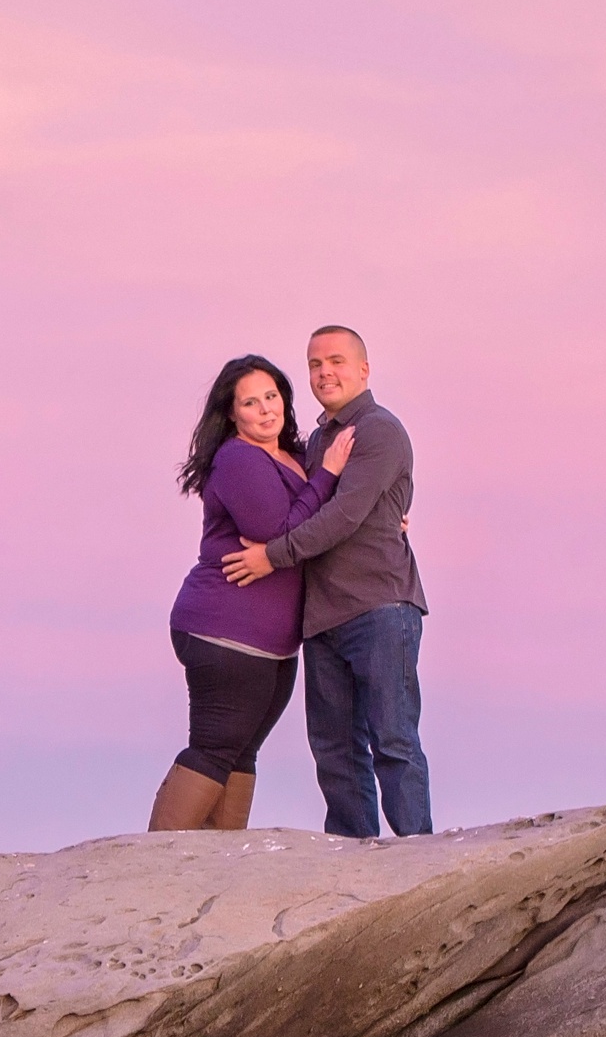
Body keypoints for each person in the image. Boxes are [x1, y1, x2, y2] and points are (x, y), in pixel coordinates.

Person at [219, 325, 429, 837]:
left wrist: (273, 557)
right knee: (334, 752)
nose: (324, 373)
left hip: (380, 606)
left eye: (336, 361)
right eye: (314, 365)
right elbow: (302, 508)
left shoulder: (379, 429)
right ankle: (352, 867)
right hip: (323, 618)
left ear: (363, 369)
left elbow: (342, 516)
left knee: (393, 742)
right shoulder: (316, 442)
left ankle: (421, 862)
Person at [151, 355, 357, 831]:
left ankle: (220, 873)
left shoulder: (294, 456)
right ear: (231, 414)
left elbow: (325, 522)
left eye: (272, 396)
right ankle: (152, 871)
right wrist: (325, 474)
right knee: (215, 747)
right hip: (225, 628)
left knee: (242, 752)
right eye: (250, 402)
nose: (266, 409)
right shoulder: (239, 457)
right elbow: (274, 531)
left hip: (274, 643)